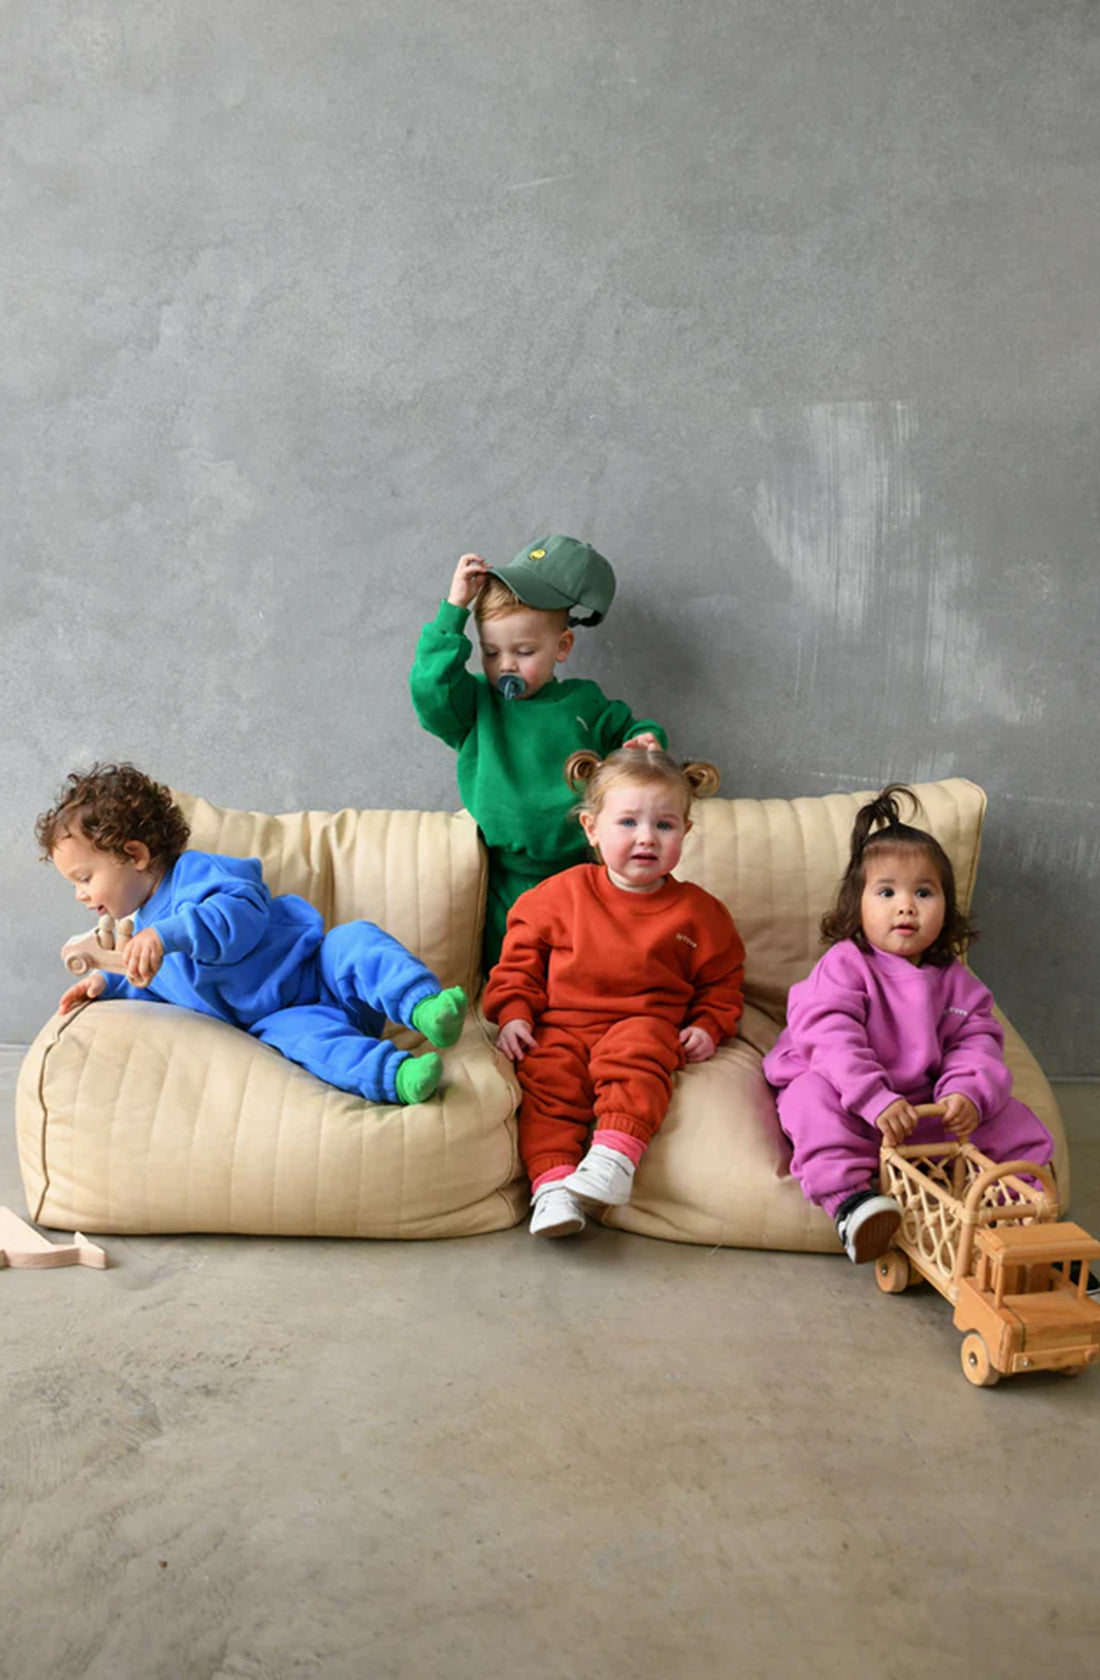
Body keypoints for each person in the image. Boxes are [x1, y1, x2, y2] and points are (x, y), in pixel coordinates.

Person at [37, 764, 467, 1106]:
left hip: (316, 968)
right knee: (309, 1047)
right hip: (280, 1016)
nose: (80, 894)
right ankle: (399, 1077)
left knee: (356, 941)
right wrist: (108, 983)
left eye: (84, 877)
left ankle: (424, 1007)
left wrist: (166, 936)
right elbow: (156, 990)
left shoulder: (195, 874)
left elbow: (237, 916)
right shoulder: (141, 936)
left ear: (134, 854)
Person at [762, 785, 1055, 1264]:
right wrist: (873, 1097)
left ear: (947, 907)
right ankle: (853, 1205)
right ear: (857, 905)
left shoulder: (955, 981)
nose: (907, 906)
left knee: (1012, 1116)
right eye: (887, 892)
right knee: (807, 1103)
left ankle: (1021, 1209)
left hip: (920, 1108)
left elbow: (976, 1041)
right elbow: (830, 1036)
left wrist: (966, 1095)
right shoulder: (846, 964)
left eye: (924, 892)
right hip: (848, 1092)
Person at [483, 746, 745, 1238]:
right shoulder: (558, 896)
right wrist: (515, 1013)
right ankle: (553, 1185)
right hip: (560, 1027)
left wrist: (709, 1025)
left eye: (665, 826)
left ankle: (613, 1157)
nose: (646, 837)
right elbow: (517, 965)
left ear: (684, 834)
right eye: (628, 823)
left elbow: (723, 982)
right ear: (591, 829)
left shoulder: (699, 913)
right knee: (546, 1082)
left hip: (642, 1025)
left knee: (640, 1053)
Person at [409, 534, 666, 966]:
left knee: (585, 965)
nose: (505, 665)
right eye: (491, 653)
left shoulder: (583, 703)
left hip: (582, 871)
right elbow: (429, 692)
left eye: (524, 652)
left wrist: (645, 740)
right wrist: (452, 613)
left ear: (562, 647)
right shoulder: (476, 705)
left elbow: (631, 727)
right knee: (511, 971)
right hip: (505, 879)